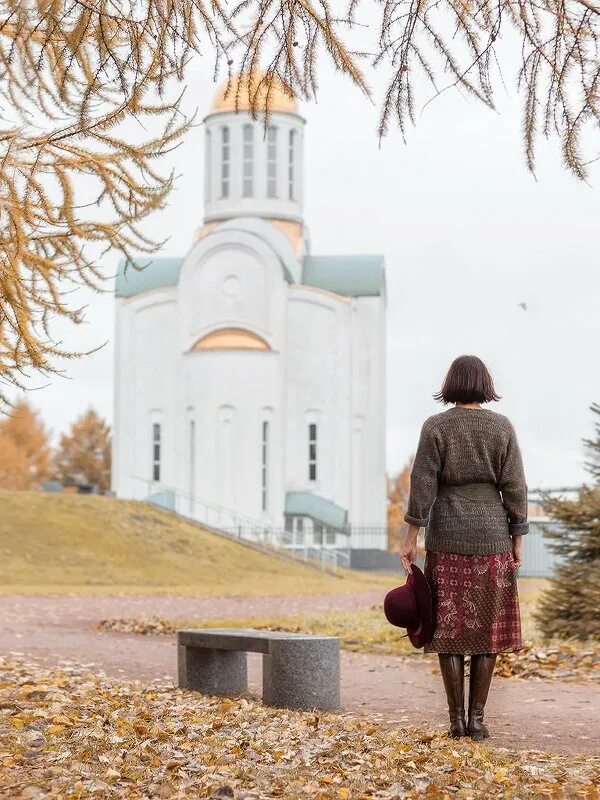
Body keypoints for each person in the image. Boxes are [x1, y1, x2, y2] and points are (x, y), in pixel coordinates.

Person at [400, 355, 528, 740]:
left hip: (447, 540)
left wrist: (410, 539)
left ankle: (455, 720)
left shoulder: (436, 427)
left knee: (449, 632)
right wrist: (517, 538)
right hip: (492, 540)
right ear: (485, 384)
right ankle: (477, 720)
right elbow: (516, 486)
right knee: (486, 634)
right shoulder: (501, 427)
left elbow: (422, 484)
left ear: (451, 383)